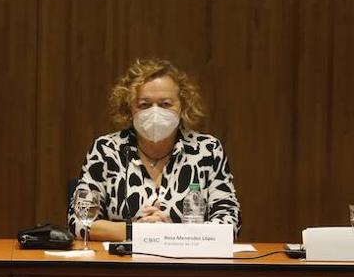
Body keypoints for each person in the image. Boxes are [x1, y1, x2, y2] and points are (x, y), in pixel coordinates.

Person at [70, 58, 240, 241]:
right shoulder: (105, 150)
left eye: (165, 104)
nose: (155, 112)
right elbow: (79, 222)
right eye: (144, 105)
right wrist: (136, 230)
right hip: (123, 265)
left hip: (188, 265)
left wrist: (169, 234)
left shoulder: (207, 151)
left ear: (183, 106)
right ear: (129, 108)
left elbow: (230, 223)